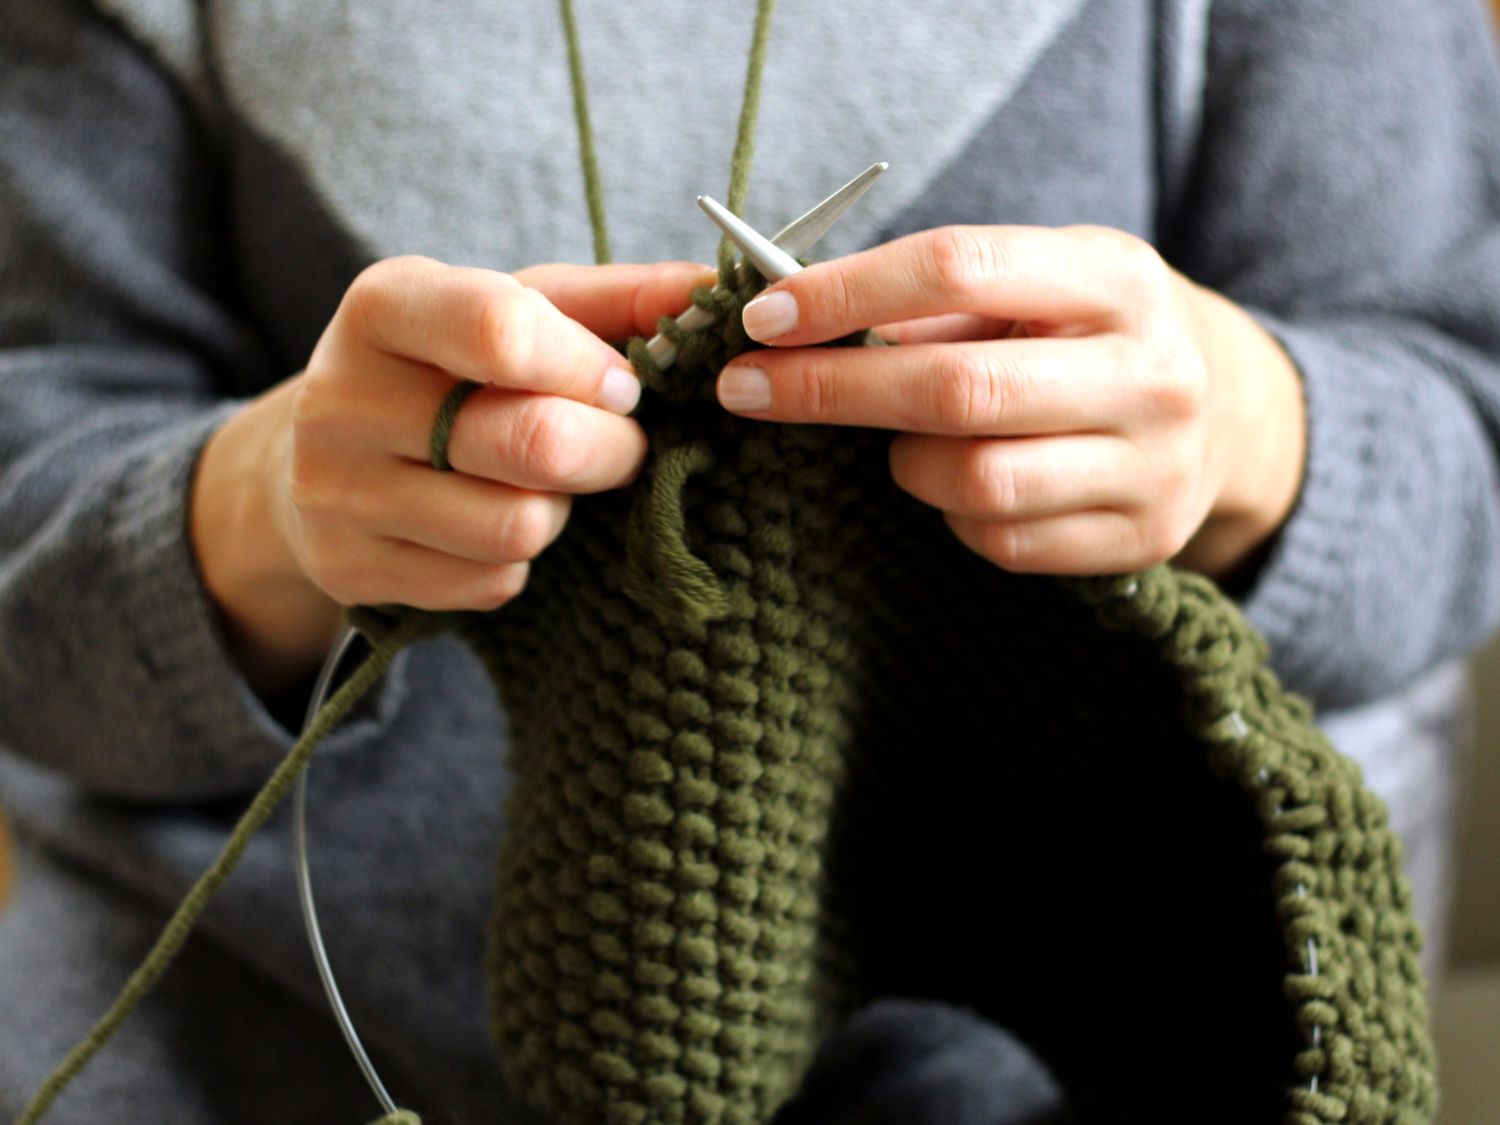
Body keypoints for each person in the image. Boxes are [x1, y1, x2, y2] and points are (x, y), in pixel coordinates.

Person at [2, 0, 1499, 1120]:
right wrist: (264, 503)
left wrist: (1252, 429)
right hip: (258, 1033)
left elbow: (1468, 434)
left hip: (1036, 1041)